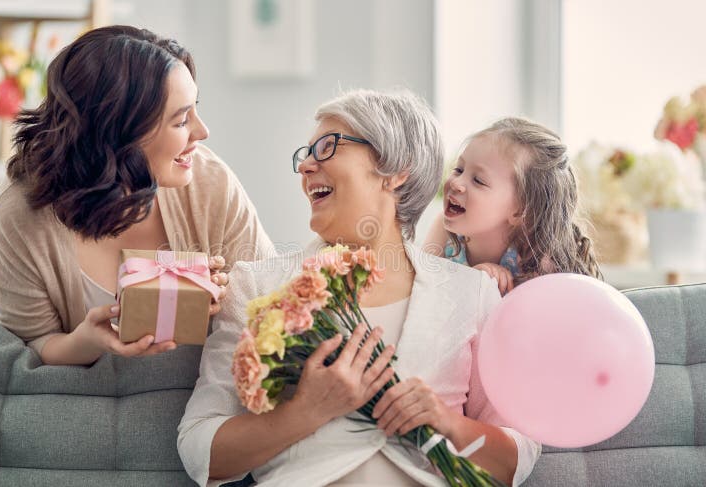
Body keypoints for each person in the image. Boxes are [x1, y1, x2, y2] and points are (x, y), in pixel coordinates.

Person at [178, 90, 540, 486]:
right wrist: (304, 413)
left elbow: (516, 459)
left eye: (328, 147)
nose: (306, 166)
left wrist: (446, 421)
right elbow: (200, 450)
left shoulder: (472, 294)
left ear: (397, 170)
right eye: (306, 153)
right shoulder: (256, 285)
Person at [0, 26, 275, 366]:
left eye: (195, 109)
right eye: (181, 121)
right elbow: (32, 343)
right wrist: (88, 341)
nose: (203, 132)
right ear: (119, 134)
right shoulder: (21, 212)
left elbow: (268, 306)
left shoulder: (210, 184)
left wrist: (230, 301)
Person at [423, 118, 601, 295]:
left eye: (478, 180)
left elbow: (540, 320)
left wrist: (490, 292)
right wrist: (470, 284)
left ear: (520, 211)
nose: (456, 183)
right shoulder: (444, 230)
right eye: (459, 170)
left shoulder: (536, 261)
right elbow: (422, 293)